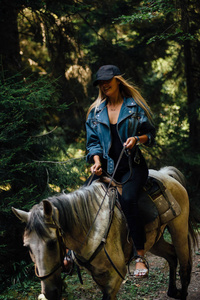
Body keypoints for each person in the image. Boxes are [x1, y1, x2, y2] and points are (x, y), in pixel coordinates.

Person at [85, 65, 156, 278]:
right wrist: (96, 162)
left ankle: (140, 256)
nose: (104, 85)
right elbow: (93, 143)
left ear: (117, 80)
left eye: (108, 80)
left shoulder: (134, 107)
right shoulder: (95, 112)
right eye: (100, 82)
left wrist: (137, 139)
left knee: (128, 200)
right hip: (106, 169)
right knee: (81, 198)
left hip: (133, 167)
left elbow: (151, 135)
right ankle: (71, 255)